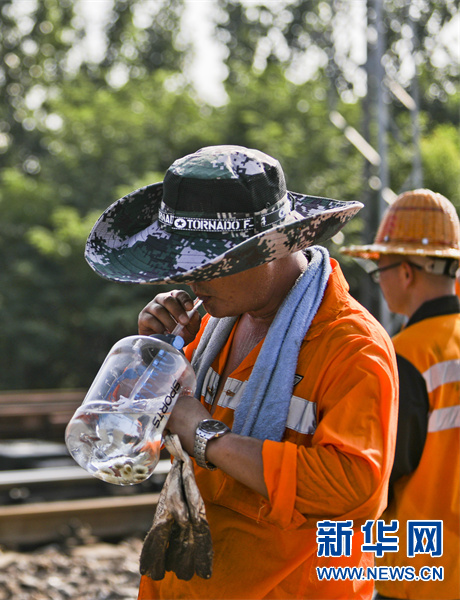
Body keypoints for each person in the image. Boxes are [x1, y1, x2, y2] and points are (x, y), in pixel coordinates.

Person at [85, 145, 399, 599]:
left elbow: (351, 487)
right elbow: (140, 435)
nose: (193, 281)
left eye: (210, 265)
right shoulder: (210, 327)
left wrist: (207, 435)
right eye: (187, 264)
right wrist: (155, 356)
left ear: (273, 247)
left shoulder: (351, 347)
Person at [341, 189, 460, 600]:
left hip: (420, 575)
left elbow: (378, 479)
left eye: (381, 270)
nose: (382, 281)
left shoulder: (407, 355)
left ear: (406, 273)